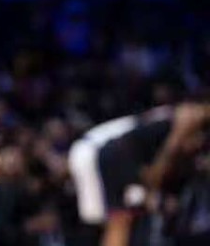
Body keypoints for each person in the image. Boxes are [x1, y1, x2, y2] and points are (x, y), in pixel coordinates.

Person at [68, 101, 210, 246]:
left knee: (118, 221)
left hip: (98, 150)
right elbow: (158, 168)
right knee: (119, 220)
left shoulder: (177, 116)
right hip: (102, 151)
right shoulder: (190, 117)